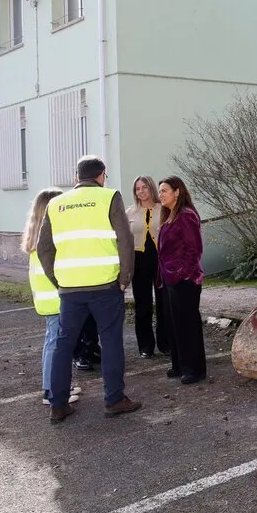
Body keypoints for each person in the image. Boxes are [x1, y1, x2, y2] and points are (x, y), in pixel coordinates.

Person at [39, 155, 142, 423]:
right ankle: (114, 399)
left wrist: (57, 280)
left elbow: (45, 249)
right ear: (102, 175)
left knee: (64, 345)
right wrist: (125, 277)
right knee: (110, 343)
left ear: (76, 177)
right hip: (106, 286)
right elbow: (125, 240)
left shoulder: (55, 204)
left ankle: (58, 405)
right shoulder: (109, 198)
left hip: (70, 289)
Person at [20, 187, 80, 407]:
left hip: (46, 298)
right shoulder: (50, 235)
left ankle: (59, 385)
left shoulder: (37, 233)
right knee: (56, 345)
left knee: (53, 342)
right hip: (56, 297)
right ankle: (51, 390)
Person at [157, 175, 207, 385]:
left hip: (185, 280)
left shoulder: (186, 216)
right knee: (174, 323)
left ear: (177, 192)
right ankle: (179, 365)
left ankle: (194, 369)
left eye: (164, 191)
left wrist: (182, 274)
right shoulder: (169, 216)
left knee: (187, 324)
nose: (160, 195)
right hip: (169, 279)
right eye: (159, 191)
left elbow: (194, 249)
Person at [127, 175, 167, 358]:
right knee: (142, 305)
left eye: (144, 187)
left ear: (151, 188)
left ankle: (166, 344)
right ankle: (145, 346)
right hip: (139, 261)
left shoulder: (164, 210)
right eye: (137, 188)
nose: (141, 191)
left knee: (164, 303)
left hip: (161, 260)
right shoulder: (130, 213)